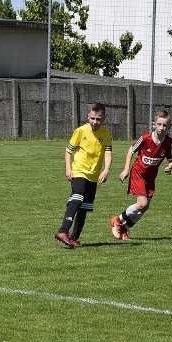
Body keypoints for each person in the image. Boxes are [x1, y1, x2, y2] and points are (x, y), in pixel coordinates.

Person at [55, 103, 112, 248]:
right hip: (79, 171)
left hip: (93, 176)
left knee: (85, 207)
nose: (95, 122)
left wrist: (105, 170)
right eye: (92, 118)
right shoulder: (80, 131)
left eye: (98, 119)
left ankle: (73, 238)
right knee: (77, 197)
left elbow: (108, 154)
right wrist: (68, 169)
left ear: (104, 118)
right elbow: (68, 151)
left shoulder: (106, 134)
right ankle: (63, 231)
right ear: (88, 116)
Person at [111, 110, 172, 241]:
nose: (162, 128)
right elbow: (131, 150)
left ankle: (124, 229)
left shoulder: (169, 142)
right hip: (138, 173)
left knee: (144, 208)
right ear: (154, 125)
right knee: (142, 203)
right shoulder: (145, 138)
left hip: (151, 177)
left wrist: (170, 166)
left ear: (168, 126)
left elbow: (171, 159)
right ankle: (117, 220)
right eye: (159, 124)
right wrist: (126, 169)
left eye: (165, 125)